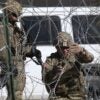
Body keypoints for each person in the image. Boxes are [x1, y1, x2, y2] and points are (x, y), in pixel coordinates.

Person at [42, 32, 94, 100]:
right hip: (59, 96)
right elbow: (45, 80)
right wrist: (55, 72)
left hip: (77, 95)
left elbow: (90, 59)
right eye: (62, 48)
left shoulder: (76, 55)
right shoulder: (51, 60)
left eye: (67, 48)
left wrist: (82, 51)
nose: (65, 50)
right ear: (57, 47)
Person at [0, 0, 26, 100]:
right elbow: (2, 52)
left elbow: (18, 49)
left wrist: (30, 51)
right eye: (15, 14)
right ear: (7, 13)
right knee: (15, 95)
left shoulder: (15, 28)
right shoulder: (3, 29)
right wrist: (9, 65)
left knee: (17, 94)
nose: (17, 17)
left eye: (19, 14)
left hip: (18, 68)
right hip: (11, 68)